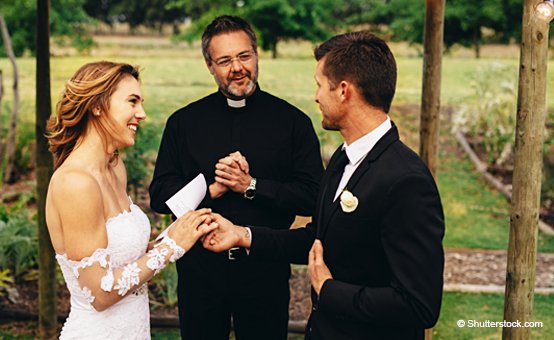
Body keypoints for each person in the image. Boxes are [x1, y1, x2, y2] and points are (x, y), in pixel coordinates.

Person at [203, 32, 445, 339]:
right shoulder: (343, 159)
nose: (316, 96)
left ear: (343, 90)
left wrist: (330, 292)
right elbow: (318, 240)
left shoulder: (406, 181)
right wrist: (242, 235)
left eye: (319, 85)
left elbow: (419, 305)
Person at [149, 15, 324, 340]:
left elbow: (313, 195)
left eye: (244, 56)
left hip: (265, 267)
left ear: (257, 55)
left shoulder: (292, 123)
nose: (237, 68)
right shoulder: (183, 123)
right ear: (210, 66)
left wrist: (252, 186)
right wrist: (212, 186)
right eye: (225, 60)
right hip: (199, 272)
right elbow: (159, 195)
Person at [44, 61, 217, 339]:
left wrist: (179, 233)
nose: (142, 113)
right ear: (97, 106)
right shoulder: (76, 183)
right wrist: (171, 248)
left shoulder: (114, 167)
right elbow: (99, 293)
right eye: (132, 102)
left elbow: (121, 257)